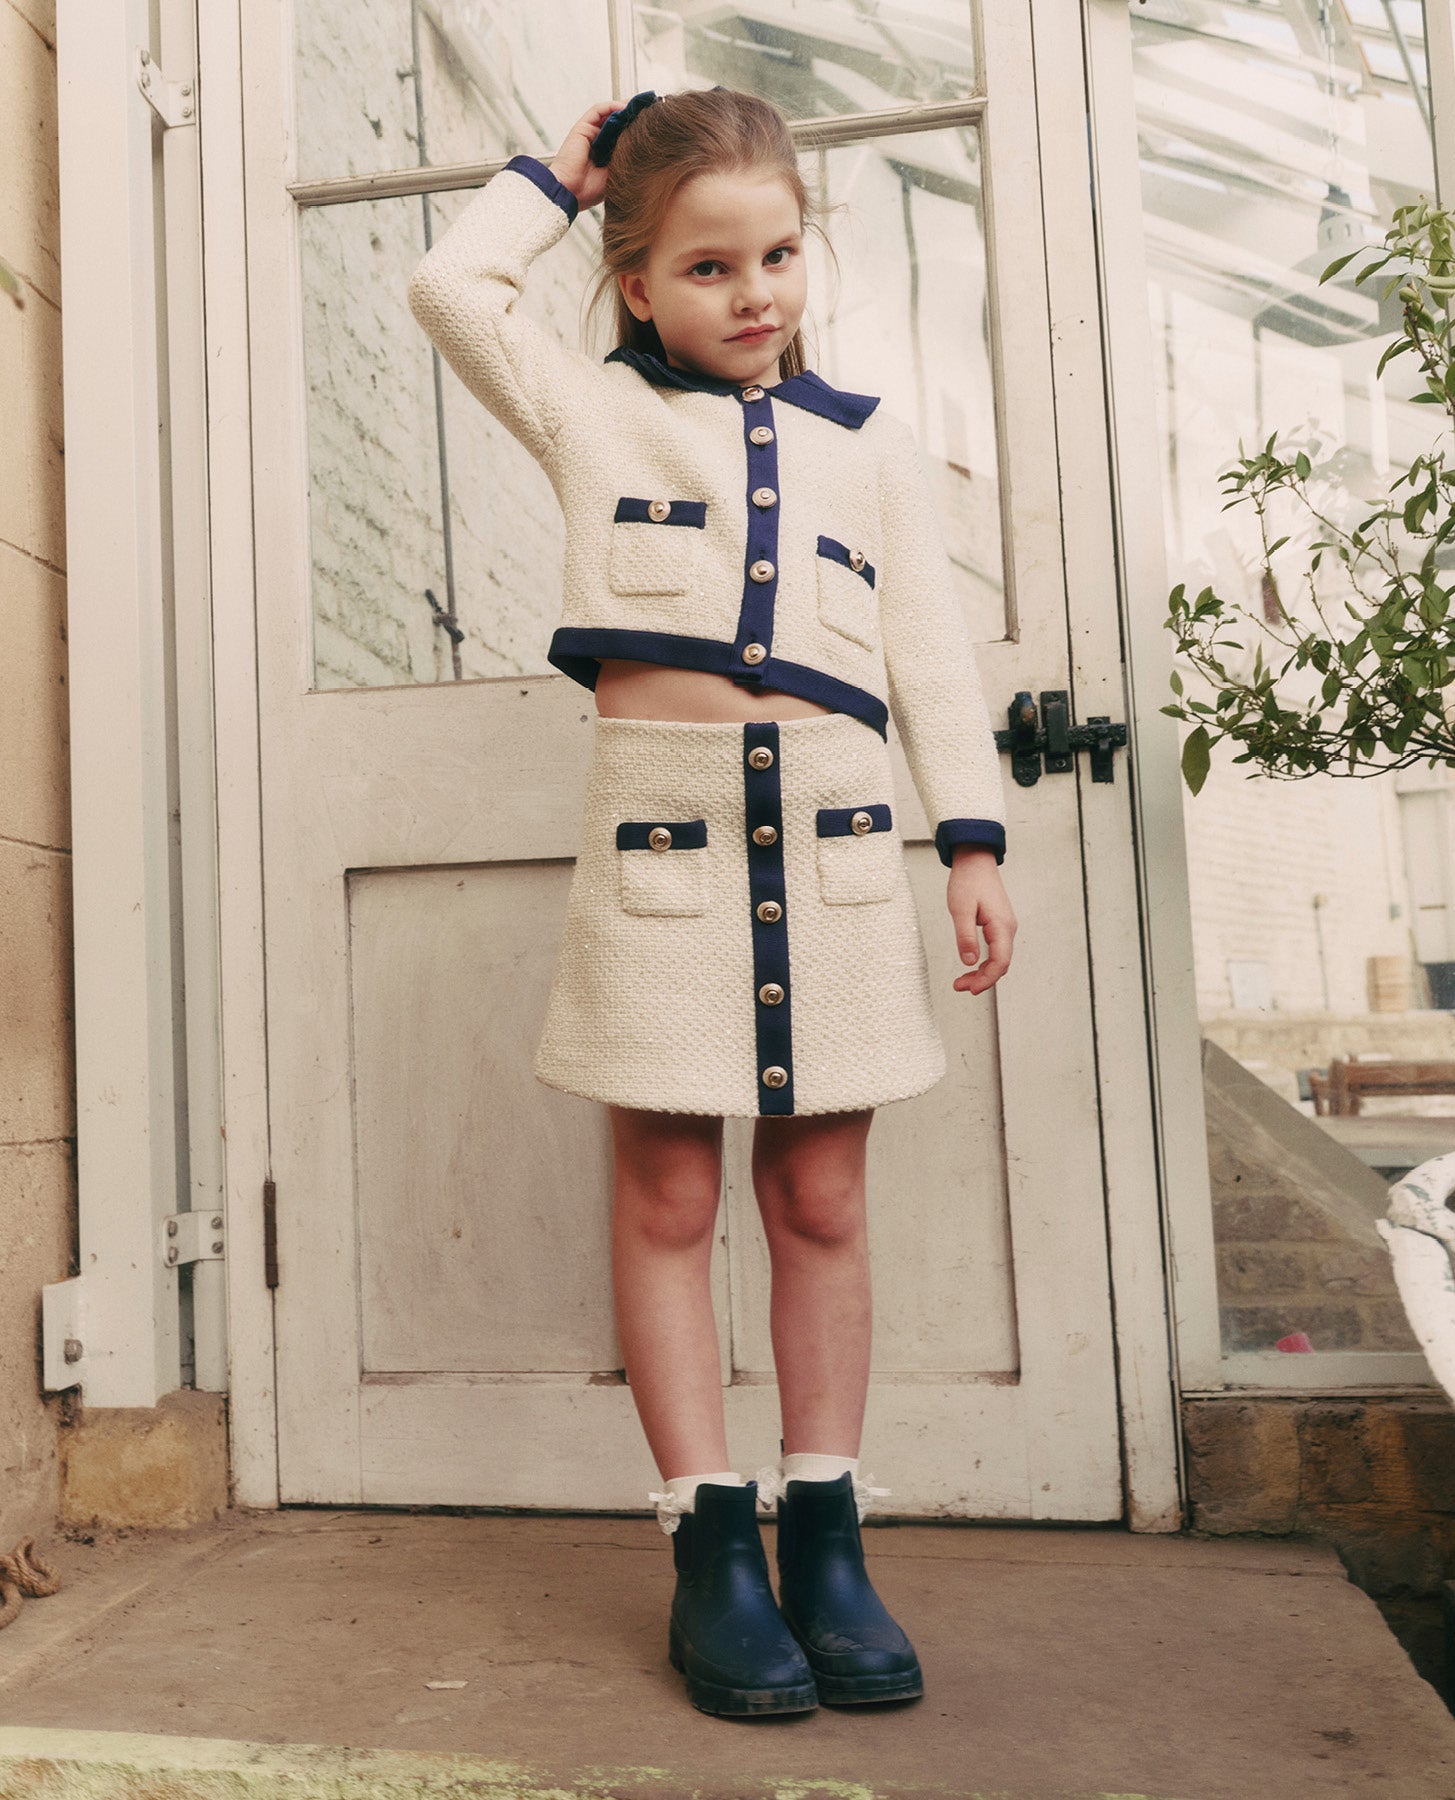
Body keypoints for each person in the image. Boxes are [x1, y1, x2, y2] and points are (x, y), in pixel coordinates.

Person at [406, 85, 1016, 1719]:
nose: (756, 294)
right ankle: (709, 1548)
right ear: (634, 283)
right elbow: (454, 290)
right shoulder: (587, 411)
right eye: (708, 266)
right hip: (661, 862)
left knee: (820, 1202)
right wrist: (559, 174)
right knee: (669, 1202)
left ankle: (828, 1537)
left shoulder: (871, 443)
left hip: (831, 853)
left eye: (780, 256)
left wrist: (972, 840)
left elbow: (931, 658)